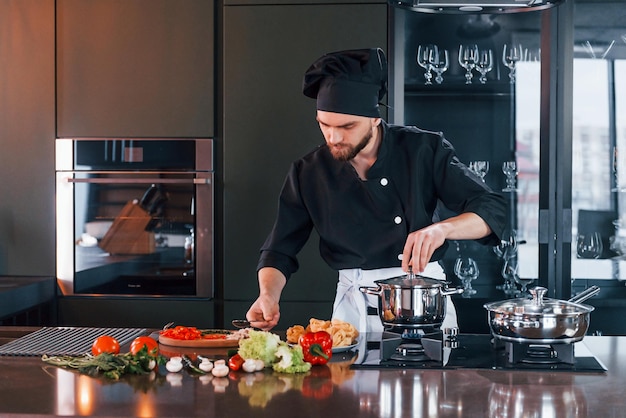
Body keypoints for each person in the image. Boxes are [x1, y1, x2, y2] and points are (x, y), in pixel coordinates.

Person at [246, 48, 506, 333]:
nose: (334, 137)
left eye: (347, 126)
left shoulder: (422, 150)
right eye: (324, 125)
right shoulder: (309, 171)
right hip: (352, 312)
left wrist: (441, 230)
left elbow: (491, 209)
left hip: (424, 304)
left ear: (374, 118)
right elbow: (279, 249)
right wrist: (268, 295)